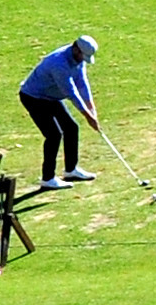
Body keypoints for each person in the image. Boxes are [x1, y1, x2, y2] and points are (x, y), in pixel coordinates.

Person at [19, 35, 102, 190]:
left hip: (50, 96)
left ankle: (71, 170)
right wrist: (88, 117)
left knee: (71, 127)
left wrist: (92, 109)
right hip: (33, 98)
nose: (82, 60)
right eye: (82, 56)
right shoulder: (59, 64)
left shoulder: (77, 60)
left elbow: (82, 83)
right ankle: (47, 178)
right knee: (54, 135)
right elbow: (71, 93)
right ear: (75, 48)